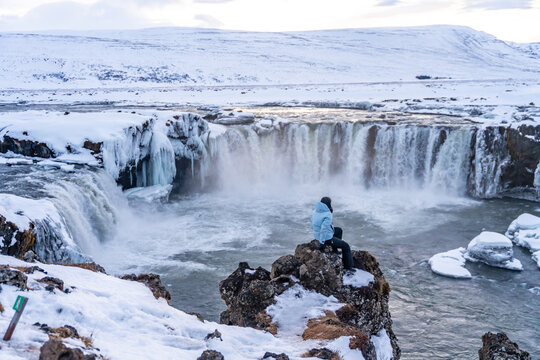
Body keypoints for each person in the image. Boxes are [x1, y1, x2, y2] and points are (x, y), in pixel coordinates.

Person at [310, 196, 353, 270]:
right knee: (346, 246)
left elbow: (312, 223)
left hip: (318, 235)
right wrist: (322, 242)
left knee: (339, 230)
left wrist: (317, 233)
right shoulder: (327, 214)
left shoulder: (315, 211)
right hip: (326, 238)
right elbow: (324, 229)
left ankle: (335, 250)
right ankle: (348, 268)